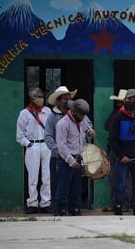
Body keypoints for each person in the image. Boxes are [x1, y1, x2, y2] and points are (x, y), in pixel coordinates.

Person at [109, 89, 135, 215]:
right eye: (130, 100)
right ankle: (118, 209)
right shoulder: (118, 116)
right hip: (123, 158)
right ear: (124, 101)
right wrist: (121, 156)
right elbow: (112, 140)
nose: (132, 102)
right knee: (120, 185)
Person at [55, 99, 95, 216]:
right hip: (66, 159)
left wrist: (90, 131)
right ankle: (61, 209)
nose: (82, 117)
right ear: (73, 111)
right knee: (63, 186)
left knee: (76, 187)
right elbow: (61, 145)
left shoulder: (82, 121)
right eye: (80, 114)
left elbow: (87, 128)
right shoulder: (63, 124)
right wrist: (70, 160)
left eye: (84, 115)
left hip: (78, 157)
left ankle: (75, 208)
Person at [16, 87, 52, 214]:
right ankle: (32, 203)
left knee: (46, 176)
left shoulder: (47, 111)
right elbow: (19, 135)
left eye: (42, 96)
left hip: (45, 145)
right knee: (33, 176)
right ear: (33, 98)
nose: (42, 99)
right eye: (39, 96)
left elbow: (51, 128)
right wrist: (28, 144)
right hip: (33, 146)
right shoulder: (24, 113)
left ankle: (45, 203)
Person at [44, 86, 77, 215]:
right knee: (58, 184)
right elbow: (48, 136)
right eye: (64, 99)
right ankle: (58, 209)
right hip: (58, 156)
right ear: (58, 101)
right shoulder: (52, 117)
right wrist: (58, 151)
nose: (67, 101)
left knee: (73, 184)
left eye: (69, 99)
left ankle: (72, 208)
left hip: (74, 155)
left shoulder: (75, 115)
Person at [102, 89, 133, 213]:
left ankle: (124, 203)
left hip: (125, 149)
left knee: (125, 178)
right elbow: (108, 126)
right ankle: (116, 203)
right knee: (114, 177)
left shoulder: (131, 114)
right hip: (115, 149)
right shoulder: (116, 113)